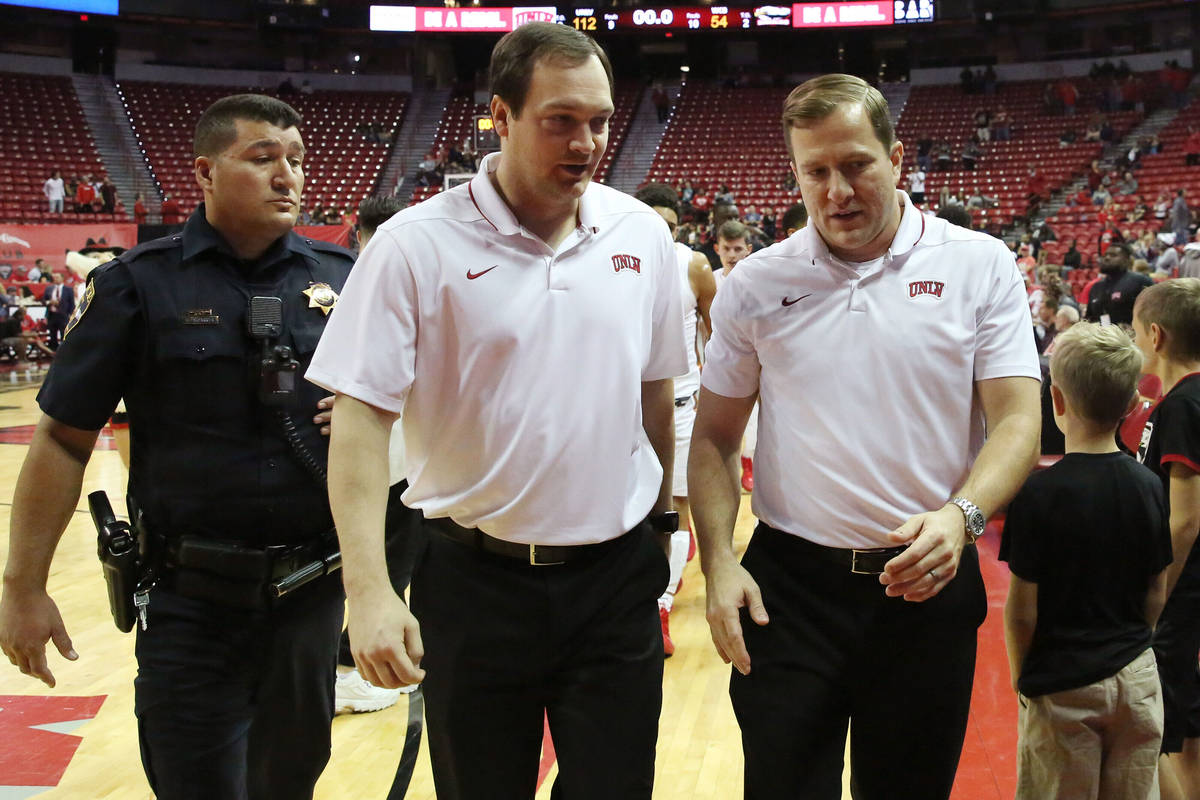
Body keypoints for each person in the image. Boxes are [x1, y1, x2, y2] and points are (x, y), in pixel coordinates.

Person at [306, 23, 686, 800]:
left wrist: (659, 522)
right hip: (473, 584)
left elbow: (655, 390)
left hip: (614, 583)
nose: (586, 142)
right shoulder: (414, 245)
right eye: (560, 120)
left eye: (600, 121)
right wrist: (369, 590)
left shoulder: (641, 234)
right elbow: (359, 420)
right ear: (502, 117)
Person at [688, 73, 1042, 800]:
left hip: (926, 580)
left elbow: (1017, 419)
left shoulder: (978, 266)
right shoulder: (756, 283)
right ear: (796, 174)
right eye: (816, 171)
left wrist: (961, 516)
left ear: (897, 158)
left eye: (855, 164)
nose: (837, 190)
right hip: (791, 590)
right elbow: (715, 436)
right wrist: (719, 563)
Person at [0, 93, 356, 800]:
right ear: (205, 171)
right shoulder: (138, 284)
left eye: (297, 160)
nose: (287, 175)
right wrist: (24, 586)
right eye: (262, 158)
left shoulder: (344, 279)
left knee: (290, 783)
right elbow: (64, 440)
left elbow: (411, 416)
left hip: (311, 598)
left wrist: (377, 419)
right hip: (192, 602)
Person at [1002, 321, 1169, 800]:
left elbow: (1022, 609)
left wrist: (1022, 676)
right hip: (1136, 676)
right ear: (1132, 405)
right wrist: (1134, 642)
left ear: (1055, 401)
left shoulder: (1038, 492)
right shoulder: (1149, 485)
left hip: (1062, 682)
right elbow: (1155, 590)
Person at [330, 194, 423, 714]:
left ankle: (374, 663)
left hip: (394, 452)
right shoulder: (355, 282)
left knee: (390, 562)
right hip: (387, 454)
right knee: (390, 561)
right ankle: (361, 660)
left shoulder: (349, 281)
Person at [636, 182, 716, 656]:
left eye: (668, 225)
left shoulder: (694, 266)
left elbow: (719, 337)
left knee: (674, 506)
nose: (660, 233)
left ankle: (660, 606)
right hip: (620, 406)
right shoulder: (609, 264)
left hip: (681, 404)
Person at [1132, 279, 1200, 800]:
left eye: (1134, 333)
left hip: (1181, 593)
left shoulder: (1181, 407)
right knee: (1187, 729)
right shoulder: (1180, 401)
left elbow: (1184, 520)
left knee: (1156, 735)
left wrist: (1155, 596)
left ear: (1155, 335)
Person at [1086, 242, 1153, 326]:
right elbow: (1089, 319)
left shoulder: (1140, 281)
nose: (1107, 258)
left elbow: (1154, 313)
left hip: (1131, 337)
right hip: (1102, 337)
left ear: (1126, 260)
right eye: (1105, 255)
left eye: (1113, 255)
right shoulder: (1096, 287)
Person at [42, 271, 74, 350]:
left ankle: (64, 351)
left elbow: (71, 303)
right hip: (52, 314)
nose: (55, 279)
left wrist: (69, 314)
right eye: (54, 277)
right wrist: (49, 302)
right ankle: (53, 351)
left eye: (57, 277)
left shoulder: (68, 289)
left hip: (63, 315)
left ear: (62, 278)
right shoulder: (49, 288)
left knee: (64, 333)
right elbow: (43, 300)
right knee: (52, 334)